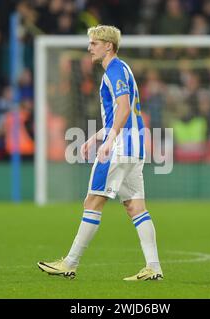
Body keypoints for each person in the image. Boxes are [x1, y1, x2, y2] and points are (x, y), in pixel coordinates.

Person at [37, 25, 163, 281]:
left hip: (120, 147)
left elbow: (124, 107)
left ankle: (69, 263)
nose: (89, 47)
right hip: (135, 147)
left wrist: (110, 139)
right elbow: (122, 111)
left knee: (92, 202)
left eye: (94, 43)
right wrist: (97, 136)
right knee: (135, 207)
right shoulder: (123, 68)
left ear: (108, 45)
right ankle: (154, 267)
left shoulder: (115, 69)